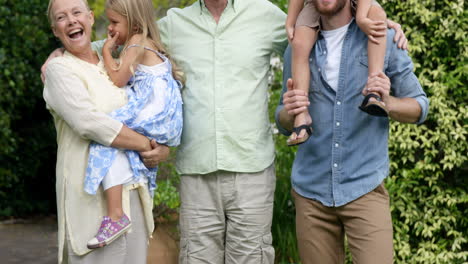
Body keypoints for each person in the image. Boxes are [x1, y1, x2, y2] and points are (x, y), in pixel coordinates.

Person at [275, 0, 428, 263]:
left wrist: (387, 102)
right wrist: (291, 112)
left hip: (364, 189)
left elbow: (419, 106)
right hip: (311, 195)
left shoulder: (382, 36)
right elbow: (282, 119)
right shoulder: (298, 45)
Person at [43, 0, 169, 262]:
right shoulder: (59, 70)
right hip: (90, 201)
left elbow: (143, 111)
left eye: (77, 13)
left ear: (90, 18)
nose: (71, 21)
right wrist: (147, 145)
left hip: (132, 190)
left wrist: (162, 145)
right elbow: (89, 122)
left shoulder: (112, 59)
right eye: (62, 17)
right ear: (55, 30)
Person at [84, 0, 183, 250]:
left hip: (153, 109)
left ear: (135, 22)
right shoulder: (144, 41)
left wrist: (107, 50)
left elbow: (117, 79)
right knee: (120, 144)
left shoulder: (137, 42)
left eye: (115, 23)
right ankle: (129, 208)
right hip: (163, 113)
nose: (110, 29)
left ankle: (116, 215)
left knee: (107, 135)